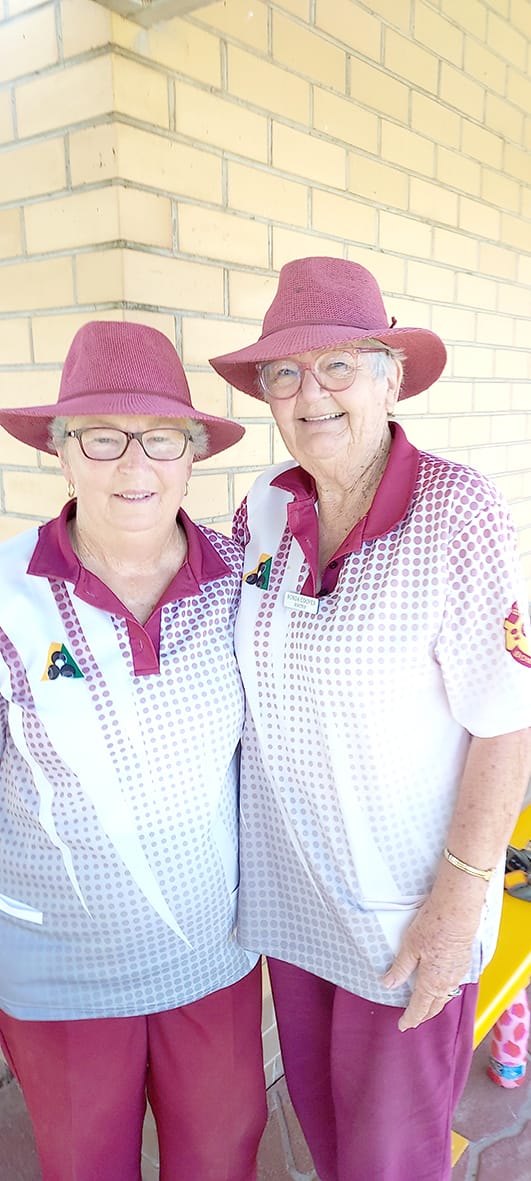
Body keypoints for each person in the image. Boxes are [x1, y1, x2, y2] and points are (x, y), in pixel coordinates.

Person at [210, 256, 531, 1181]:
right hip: (291, 895)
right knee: (323, 1133)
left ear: (391, 376)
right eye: (284, 373)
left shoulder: (456, 509)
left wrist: (457, 904)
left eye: (338, 364)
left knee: (389, 1158)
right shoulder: (265, 507)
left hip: (406, 914)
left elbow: (505, 724)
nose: (309, 394)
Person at [0, 320, 267, 1181]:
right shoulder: (7, 596)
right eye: (102, 438)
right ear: (61, 452)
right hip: (60, 971)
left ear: (191, 456)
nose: (134, 465)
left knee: (221, 1154)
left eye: (160, 439)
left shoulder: (243, 583)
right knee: (85, 1166)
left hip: (211, 951)